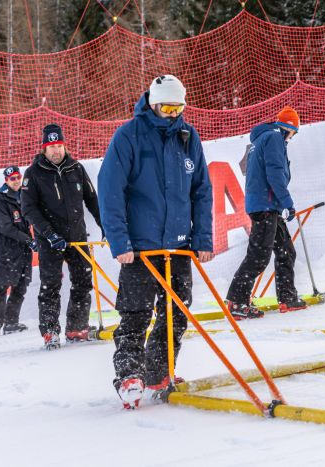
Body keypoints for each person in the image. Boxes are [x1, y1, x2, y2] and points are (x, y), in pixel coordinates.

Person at [98, 75, 213, 409]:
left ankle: (159, 370)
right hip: (139, 248)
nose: (172, 113)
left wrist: (201, 238)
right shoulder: (129, 136)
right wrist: (120, 242)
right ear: (152, 104)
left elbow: (202, 191)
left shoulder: (188, 136)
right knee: (135, 314)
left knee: (175, 312)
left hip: (177, 246)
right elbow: (110, 191)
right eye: (166, 107)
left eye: (178, 107)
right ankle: (130, 374)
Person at [21, 124, 103, 350]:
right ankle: (50, 331)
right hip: (50, 240)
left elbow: (92, 199)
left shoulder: (76, 168)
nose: (56, 151)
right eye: (51, 147)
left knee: (83, 282)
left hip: (77, 237)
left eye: (59, 146)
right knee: (50, 285)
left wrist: (104, 225)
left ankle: (76, 328)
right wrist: (48, 233)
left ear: (64, 146)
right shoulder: (34, 173)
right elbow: (28, 208)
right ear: (44, 149)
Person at [225, 106, 308, 320]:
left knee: (286, 251)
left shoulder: (263, 139)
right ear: (289, 128)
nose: (292, 138)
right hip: (265, 206)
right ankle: (237, 300)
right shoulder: (273, 138)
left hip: (268, 206)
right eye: (294, 133)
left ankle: (287, 297)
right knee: (259, 256)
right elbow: (275, 172)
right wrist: (288, 203)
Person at [0, 166, 35, 337]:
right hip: (5, 249)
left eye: (17, 177)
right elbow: (4, 227)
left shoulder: (25, 195)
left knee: (21, 285)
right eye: (12, 178)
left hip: (23, 249)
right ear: (6, 180)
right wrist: (28, 240)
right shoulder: (0, 201)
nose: (16, 181)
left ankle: (11, 322)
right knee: (1, 285)